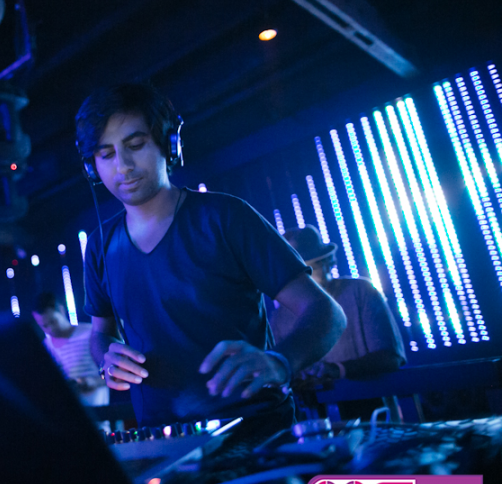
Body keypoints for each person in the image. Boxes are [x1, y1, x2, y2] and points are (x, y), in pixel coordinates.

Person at [76, 82, 346, 428]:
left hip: (257, 430)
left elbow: (327, 312)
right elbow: (101, 333)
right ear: (92, 167)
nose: (123, 165)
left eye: (136, 145)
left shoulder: (226, 217)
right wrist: (106, 358)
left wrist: (280, 361)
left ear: (169, 144)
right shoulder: (99, 245)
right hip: (163, 437)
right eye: (106, 154)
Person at [270, 225, 407, 418]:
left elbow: (390, 357)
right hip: (316, 422)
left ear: (329, 262)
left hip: (374, 416)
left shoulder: (361, 292)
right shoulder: (280, 317)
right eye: (297, 274)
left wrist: (337, 370)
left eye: (311, 268)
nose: (305, 280)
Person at [32, 292, 109, 407]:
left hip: (99, 409)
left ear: (61, 310)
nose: (50, 329)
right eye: (44, 326)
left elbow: (112, 371)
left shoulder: (90, 333)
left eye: (53, 321)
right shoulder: (44, 348)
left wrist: (94, 382)